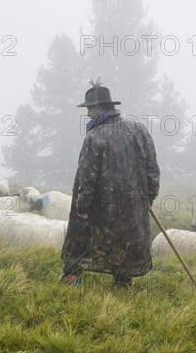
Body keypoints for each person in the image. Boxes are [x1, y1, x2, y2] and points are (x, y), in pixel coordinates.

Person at [60, 77, 160, 288]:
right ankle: (123, 282)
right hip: (132, 203)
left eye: (89, 109)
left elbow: (86, 176)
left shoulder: (94, 137)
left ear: (99, 108)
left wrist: (82, 206)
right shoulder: (138, 130)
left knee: (80, 236)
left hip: (100, 205)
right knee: (127, 239)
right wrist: (150, 195)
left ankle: (72, 276)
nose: (87, 114)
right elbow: (152, 166)